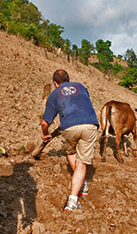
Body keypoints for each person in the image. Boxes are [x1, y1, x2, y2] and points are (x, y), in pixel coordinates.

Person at [41, 69, 99, 212]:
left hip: (69, 126)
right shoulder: (80, 86)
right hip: (90, 124)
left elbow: (44, 123)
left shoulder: (54, 94)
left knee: (71, 152)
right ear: (69, 79)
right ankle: (82, 184)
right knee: (81, 163)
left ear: (55, 83)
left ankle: (73, 200)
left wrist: (45, 133)